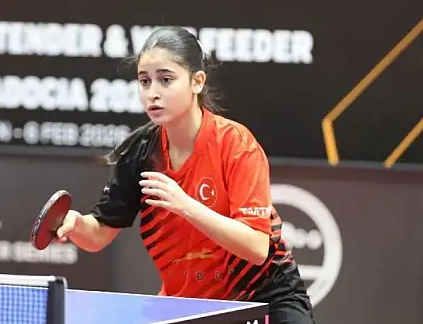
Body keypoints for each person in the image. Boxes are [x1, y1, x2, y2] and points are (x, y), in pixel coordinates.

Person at [55, 26, 316, 324]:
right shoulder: (140, 154)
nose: (152, 93)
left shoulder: (235, 144)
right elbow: (99, 235)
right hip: (189, 304)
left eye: (166, 80)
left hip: (264, 296)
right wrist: (77, 224)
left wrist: (185, 205)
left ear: (197, 82)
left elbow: (257, 248)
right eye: (144, 81)